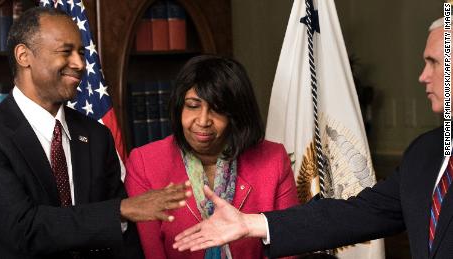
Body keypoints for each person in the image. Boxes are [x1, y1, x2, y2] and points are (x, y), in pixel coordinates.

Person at [173, 18, 453, 259]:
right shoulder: (425, 152)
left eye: (433, 63)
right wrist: (251, 224)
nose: (422, 76)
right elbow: (357, 214)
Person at [0, 7, 191, 258]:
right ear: (24, 56)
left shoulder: (97, 136)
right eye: (66, 52)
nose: (79, 64)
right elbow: (23, 229)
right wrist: (119, 210)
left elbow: (125, 239)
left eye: (81, 53)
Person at [125, 55, 299, 259]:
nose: (203, 120)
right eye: (192, 105)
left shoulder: (273, 160)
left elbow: (288, 247)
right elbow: (150, 254)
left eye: (217, 108)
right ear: (179, 107)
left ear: (236, 115)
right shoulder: (145, 163)